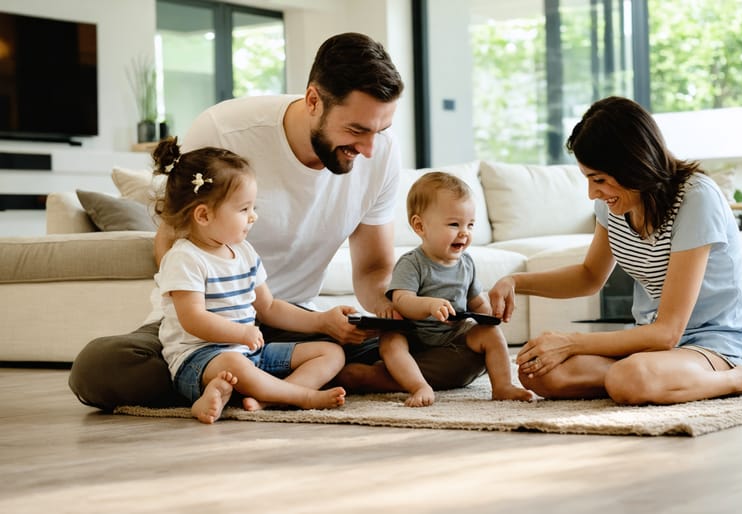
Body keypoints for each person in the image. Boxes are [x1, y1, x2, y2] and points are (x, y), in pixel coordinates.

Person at [69, 32, 485, 411]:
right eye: (357, 129)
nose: (371, 148)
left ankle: (255, 385)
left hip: (296, 325)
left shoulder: (380, 153)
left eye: (381, 129)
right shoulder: (226, 131)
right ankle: (252, 380)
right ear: (313, 101)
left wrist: (387, 314)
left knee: (470, 349)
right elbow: (170, 244)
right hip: (209, 328)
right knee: (99, 368)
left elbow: (375, 270)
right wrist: (221, 321)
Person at [488, 96, 742, 405]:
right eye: (588, 179)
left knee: (628, 378)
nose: (592, 193)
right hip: (651, 345)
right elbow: (588, 276)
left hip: (712, 343)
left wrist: (571, 343)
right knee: (539, 373)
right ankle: (650, 379)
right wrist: (516, 281)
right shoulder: (612, 203)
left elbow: (668, 332)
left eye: (599, 179)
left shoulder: (696, 199)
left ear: (632, 164)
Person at [151, 138, 347, 423]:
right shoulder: (185, 258)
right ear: (204, 215)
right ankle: (301, 396)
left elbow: (268, 307)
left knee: (331, 353)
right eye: (244, 209)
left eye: (252, 207)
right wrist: (240, 334)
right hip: (199, 358)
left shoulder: (243, 252)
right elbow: (192, 319)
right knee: (232, 365)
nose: (253, 217)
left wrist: (321, 321)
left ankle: (267, 397)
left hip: (248, 352)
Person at [381, 172, 533, 406]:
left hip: (453, 336)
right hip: (416, 339)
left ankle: (503, 386)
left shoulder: (466, 263)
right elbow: (401, 300)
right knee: (391, 341)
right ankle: (419, 386)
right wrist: (429, 305)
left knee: (489, 333)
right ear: (420, 226)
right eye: (454, 224)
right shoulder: (412, 263)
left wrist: (490, 315)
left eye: (470, 225)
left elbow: (475, 302)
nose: (465, 232)